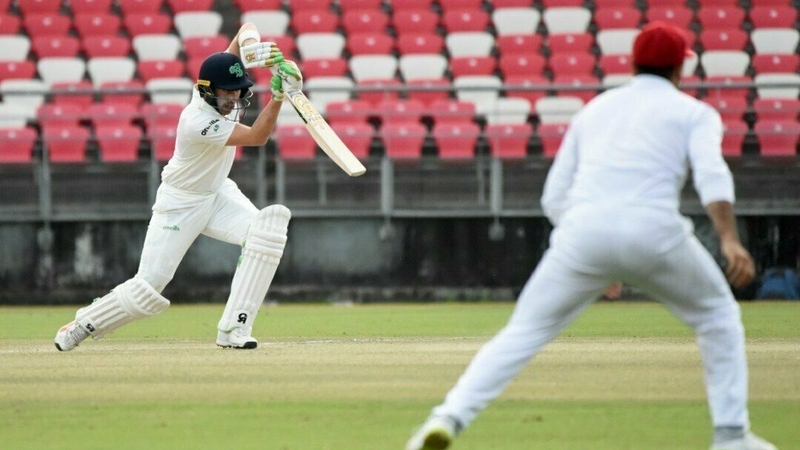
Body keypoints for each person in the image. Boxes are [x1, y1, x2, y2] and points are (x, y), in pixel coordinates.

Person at [406, 22, 777, 450]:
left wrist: (597, 257)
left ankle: (447, 419)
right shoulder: (695, 113)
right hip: (653, 231)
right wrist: (729, 240)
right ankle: (732, 436)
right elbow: (713, 176)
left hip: (583, 231)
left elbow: (554, 196)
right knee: (718, 317)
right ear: (679, 69)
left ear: (633, 63)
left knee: (522, 332)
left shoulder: (596, 108)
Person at [54, 23, 304, 351]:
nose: (233, 99)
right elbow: (256, 137)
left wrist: (254, 49)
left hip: (217, 193)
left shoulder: (214, 81)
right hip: (180, 203)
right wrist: (279, 96)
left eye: (237, 91)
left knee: (265, 233)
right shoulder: (197, 121)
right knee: (149, 287)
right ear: (206, 90)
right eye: (227, 93)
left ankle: (234, 329)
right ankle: (84, 321)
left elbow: (245, 28)